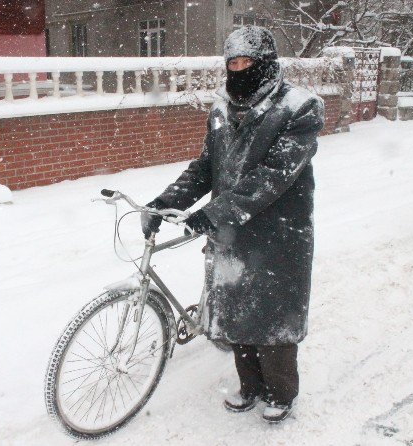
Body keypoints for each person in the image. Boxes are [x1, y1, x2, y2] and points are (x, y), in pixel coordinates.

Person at [141, 26, 324, 423]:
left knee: (273, 317)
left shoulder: (300, 108)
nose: (238, 70)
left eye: (246, 63)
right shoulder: (223, 107)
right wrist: (166, 201)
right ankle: (250, 386)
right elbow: (206, 167)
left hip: (278, 234)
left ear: (266, 63)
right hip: (232, 231)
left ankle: (280, 391)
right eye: (232, 63)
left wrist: (214, 212)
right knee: (237, 310)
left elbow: (274, 176)